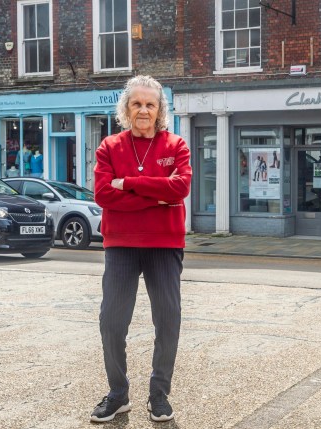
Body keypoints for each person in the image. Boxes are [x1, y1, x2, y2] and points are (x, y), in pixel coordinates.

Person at [91, 75, 192, 423]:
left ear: (160, 108)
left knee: (167, 321)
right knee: (111, 322)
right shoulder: (109, 146)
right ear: (126, 108)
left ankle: (159, 395)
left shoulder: (176, 145)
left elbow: (180, 190)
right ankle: (118, 394)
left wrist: (130, 185)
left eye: (150, 104)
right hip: (120, 245)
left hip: (164, 245)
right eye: (137, 103)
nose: (144, 110)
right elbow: (103, 195)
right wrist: (156, 196)